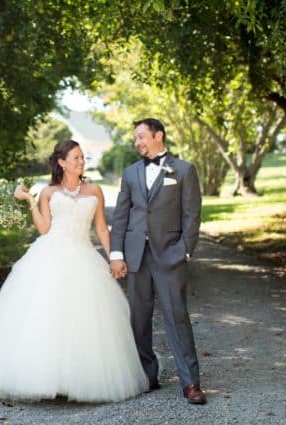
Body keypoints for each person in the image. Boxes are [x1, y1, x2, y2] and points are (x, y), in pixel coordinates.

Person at [0, 140, 148, 402]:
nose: (81, 161)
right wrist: (30, 200)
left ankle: (76, 379)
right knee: (46, 315)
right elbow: (44, 228)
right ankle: (44, 378)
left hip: (83, 255)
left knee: (83, 318)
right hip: (50, 254)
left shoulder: (95, 190)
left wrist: (113, 258)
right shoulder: (49, 193)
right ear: (62, 162)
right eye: (75, 157)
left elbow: (100, 229)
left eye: (82, 157)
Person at [109, 118, 206, 404]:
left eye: (141, 136)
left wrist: (184, 250)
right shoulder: (129, 173)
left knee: (177, 317)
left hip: (169, 255)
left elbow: (192, 215)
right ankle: (146, 375)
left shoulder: (184, 170)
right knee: (139, 318)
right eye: (135, 138)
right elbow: (121, 216)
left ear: (158, 135)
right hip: (136, 255)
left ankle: (191, 383)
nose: (137, 142)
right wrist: (117, 254)